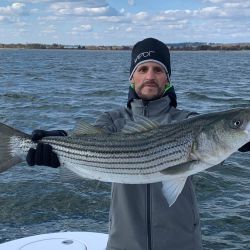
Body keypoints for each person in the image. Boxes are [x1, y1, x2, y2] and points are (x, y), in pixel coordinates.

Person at [26, 38, 250, 250]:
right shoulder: (112, 119)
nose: (150, 76)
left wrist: (242, 139)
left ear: (168, 78)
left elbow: (216, 145)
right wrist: (57, 141)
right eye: (142, 69)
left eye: (158, 69)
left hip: (182, 241)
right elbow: (89, 140)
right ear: (132, 78)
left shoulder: (188, 120)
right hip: (124, 242)